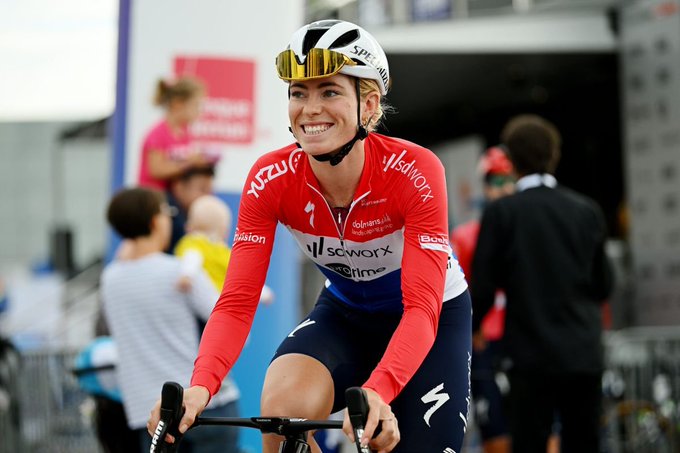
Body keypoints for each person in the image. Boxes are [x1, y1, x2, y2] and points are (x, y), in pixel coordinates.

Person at [148, 19, 471, 453]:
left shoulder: (415, 170)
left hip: (430, 317)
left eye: (329, 92)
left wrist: (379, 390)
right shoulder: (270, 178)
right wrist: (200, 387)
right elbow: (237, 301)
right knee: (282, 420)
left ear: (369, 104)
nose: (310, 108)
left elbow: (420, 308)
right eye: (299, 93)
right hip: (346, 314)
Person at [470, 114, 613, 453]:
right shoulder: (586, 210)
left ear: (511, 159)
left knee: (529, 443)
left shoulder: (502, 213)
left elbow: (484, 286)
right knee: (584, 443)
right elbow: (604, 284)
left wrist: (471, 329)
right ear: (554, 155)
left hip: (530, 355)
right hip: (583, 352)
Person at [102, 187, 241, 453]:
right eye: (168, 212)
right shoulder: (181, 271)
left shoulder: (110, 279)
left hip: (150, 414)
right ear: (156, 221)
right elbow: (232, 327)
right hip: (206, 405)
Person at [450, 145, 514, 453]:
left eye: (508, 180)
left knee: (541, 426)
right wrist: (468, 330)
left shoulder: (531, 229)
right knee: (495, 427)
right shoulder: (466, 236)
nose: (503, 189)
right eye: (495, 181)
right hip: (484, 341)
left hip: (526, 339)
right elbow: (455, 289)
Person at [174, 194, 274, 302]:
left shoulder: (191, 242)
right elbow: (244, 278)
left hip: (203, 298)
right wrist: (263, 293)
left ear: (190, 225)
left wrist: (187, 275)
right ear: (224, 231)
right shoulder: (226, 253)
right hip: (224, 301)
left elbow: (192, 258)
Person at [137, 76, 218, 192]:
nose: (199, 111)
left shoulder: (185, 134)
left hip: (174, 194)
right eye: (195, 105)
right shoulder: (157, 134)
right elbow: (155, 170)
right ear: (177, 104)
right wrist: (190, 162)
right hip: (154, 195)